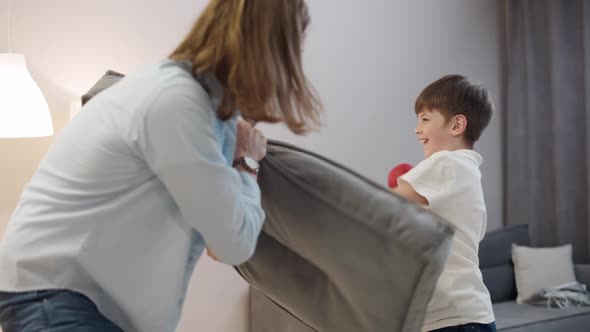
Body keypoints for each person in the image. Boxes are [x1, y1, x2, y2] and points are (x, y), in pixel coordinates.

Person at [0, 0, 322, 331]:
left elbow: (217, 242)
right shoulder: (177, 103)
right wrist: (248, 164)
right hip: (54, 297)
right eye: (292, 50)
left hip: (66, 300)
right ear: (271, 48)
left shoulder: (201, 109)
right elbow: (232, 243)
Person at [391, 75, 496, 332]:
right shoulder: (469, 173)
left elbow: (385, 206)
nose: (417, 129)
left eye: (425, 119)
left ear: (457, 124)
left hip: (452, 319)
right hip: (470, 315)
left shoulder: (446, 163)